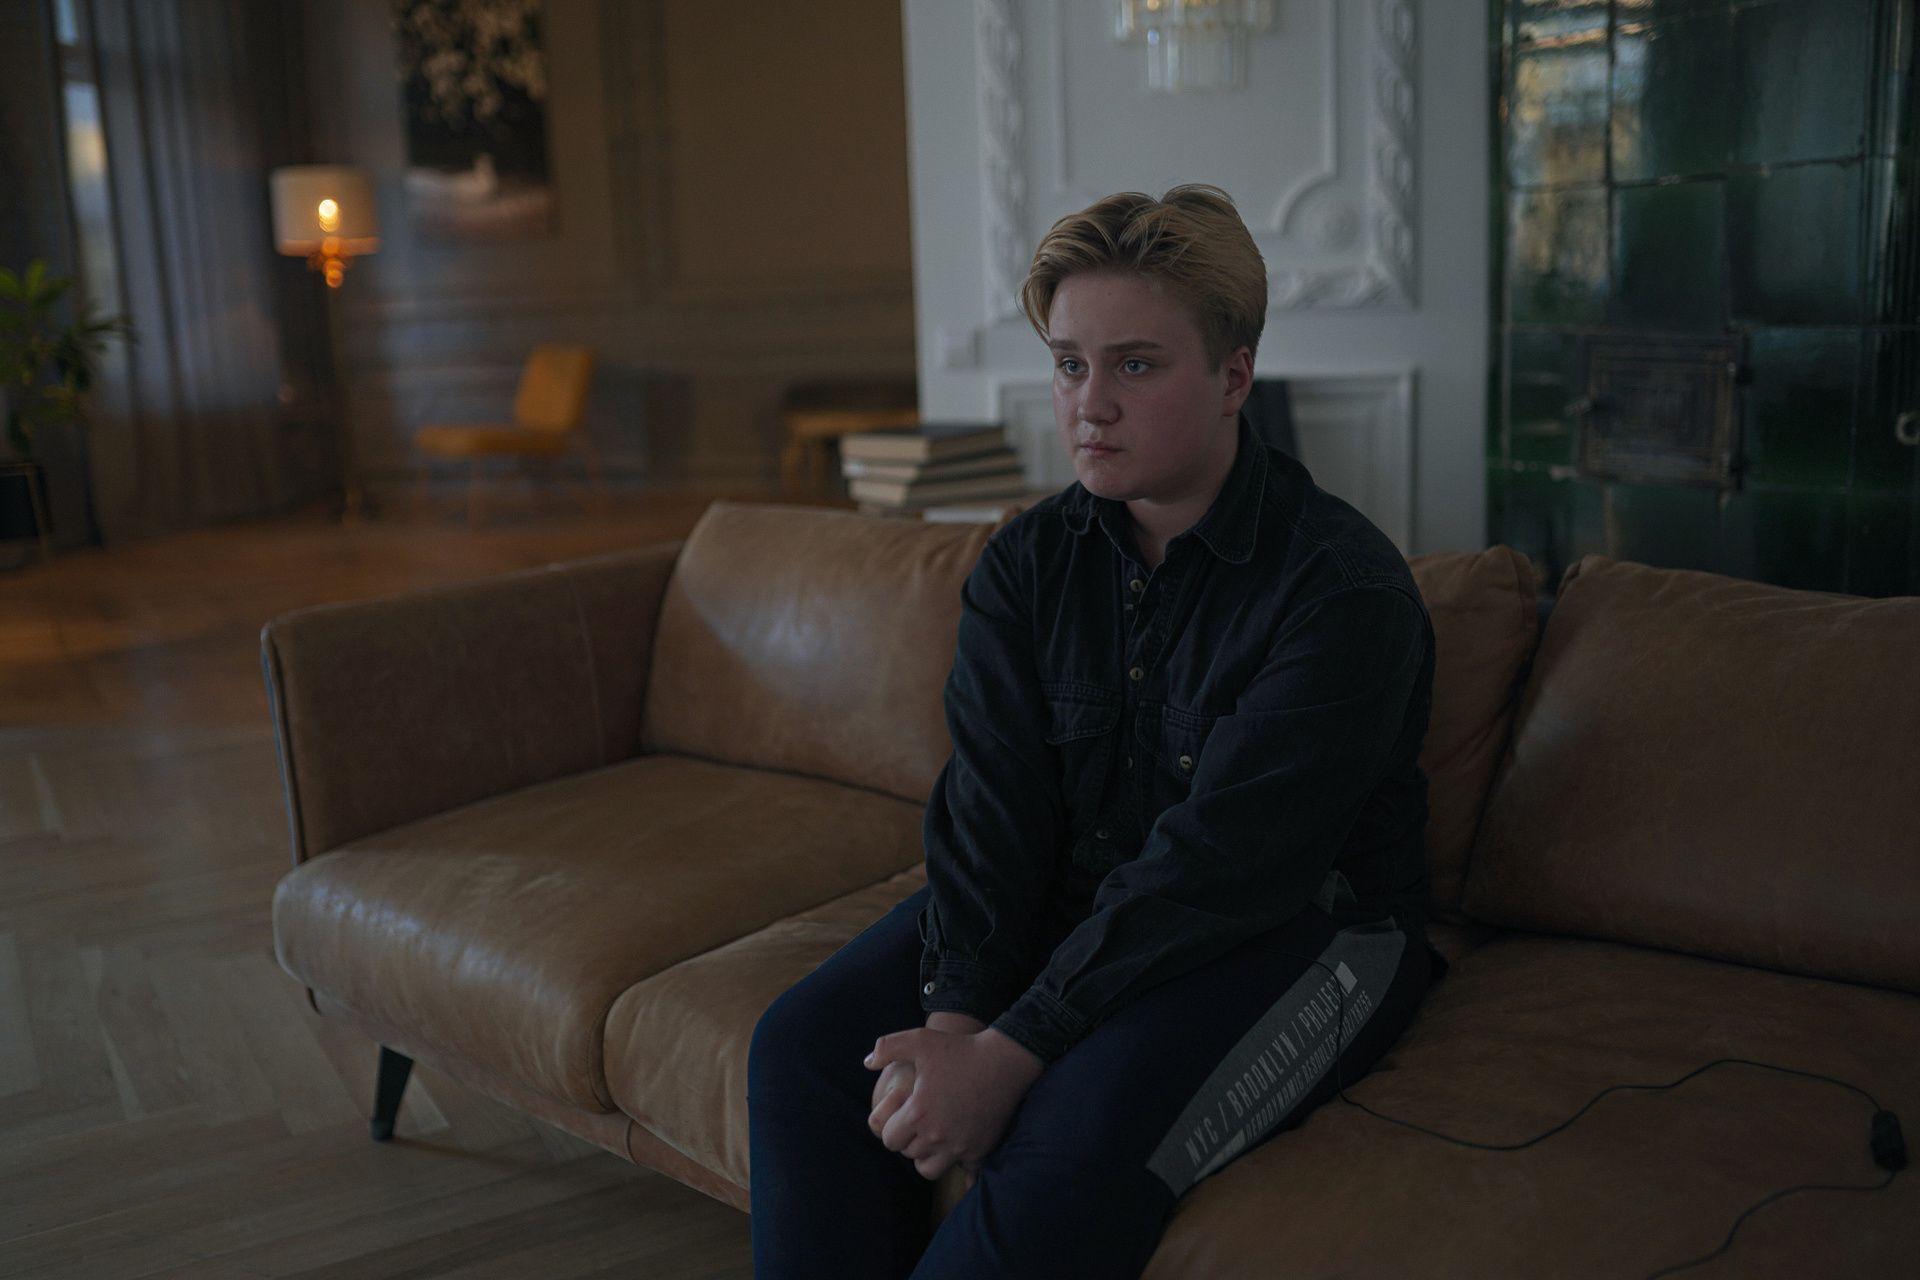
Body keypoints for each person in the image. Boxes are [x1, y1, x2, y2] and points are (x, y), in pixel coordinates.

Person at [747, 185, 1438, 1279]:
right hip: (1088, 888)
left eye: (1136, 365)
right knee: (799, 1048)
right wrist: (958, 1017)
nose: (1090, 405)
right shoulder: (1027, 562)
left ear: (1234, 378)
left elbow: (1223, 867)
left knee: (1067, 1141)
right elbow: (993, 808)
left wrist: (1016, 1047)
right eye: (1071, 364)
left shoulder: (1343, 592)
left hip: (1303, 927)